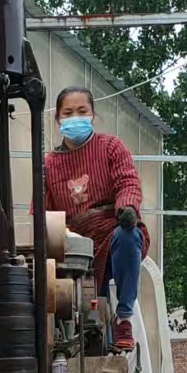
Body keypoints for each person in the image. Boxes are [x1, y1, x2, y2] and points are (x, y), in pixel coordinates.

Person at [42, 86, 149, 351]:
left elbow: (128, 182)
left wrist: (128, 209)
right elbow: (41, 213)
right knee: (88, 314)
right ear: (57, 119)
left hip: (113, 236)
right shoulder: (48, 165)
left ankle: (123, 318)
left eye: (82, 111)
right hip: (76, 251)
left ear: (92, 115)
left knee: (128, 236)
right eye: (68, 112)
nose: (75, 117)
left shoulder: (111, 147)